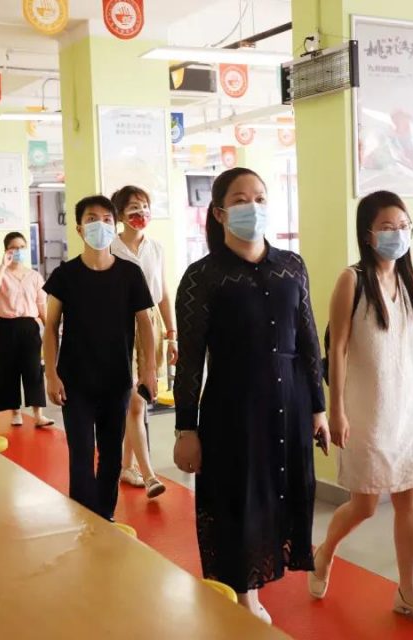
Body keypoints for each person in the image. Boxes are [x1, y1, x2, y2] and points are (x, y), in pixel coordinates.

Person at [173, 167, 330, 623]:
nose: (253, 207)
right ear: (219, 213)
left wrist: (318, 407)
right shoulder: (203, 276)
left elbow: (308, 342)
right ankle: (245, 593)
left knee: (281, 491)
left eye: (260, 198)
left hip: (290, 403)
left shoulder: (291, 265)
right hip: (233, 407)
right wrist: (186, 429)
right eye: (241, 200)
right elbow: (190, 359)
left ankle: (261, 579)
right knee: (238, 496)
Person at [308, 191, 413, 626]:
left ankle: (408, 592)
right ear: (367, 234)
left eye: (403, 226)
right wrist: (336, 411)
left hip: (405, 411)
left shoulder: (407, 281)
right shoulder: (352, 280)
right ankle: (325, 552)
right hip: (366, 411)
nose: (397, 234)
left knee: (409, 502)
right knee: (365, 505)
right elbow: (337, 349)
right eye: (387, 227)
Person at [43, 195, 158, 521]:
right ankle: (83, 518)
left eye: (107, 220)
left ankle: (104, 516)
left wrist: (149, 369)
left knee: (110, 457)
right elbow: (50, 327)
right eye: (92, 219)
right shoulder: (65, 275)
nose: (101, 225)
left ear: (115, 225)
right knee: (80, 455)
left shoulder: (129, 274)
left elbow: (145, 323)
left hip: (116, 381)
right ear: (79, 228)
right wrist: (51, 374)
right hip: (75, 383)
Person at [110, 186, 177, 500]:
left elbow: (162, 292)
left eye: (145, 206)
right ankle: (149, 475)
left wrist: (172, 333)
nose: (141, 213)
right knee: (135, 402)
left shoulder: (156, 248)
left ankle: (126, 466)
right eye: (134, 208)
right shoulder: (110, 247)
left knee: (138, 400)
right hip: (120, 324)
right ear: (120, 214)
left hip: (151, 324)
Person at [0, 232, 53, 428]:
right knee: (8, 370)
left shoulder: (35, 276)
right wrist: (3, 265)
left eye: (22, 247)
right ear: (6, 250)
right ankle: (15, 412)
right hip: (6, 326)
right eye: (13, 248)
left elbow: (41, 305)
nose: (18, 251)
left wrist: (49, 328)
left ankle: (38, 414)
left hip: (29, 327)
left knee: (33, 369)